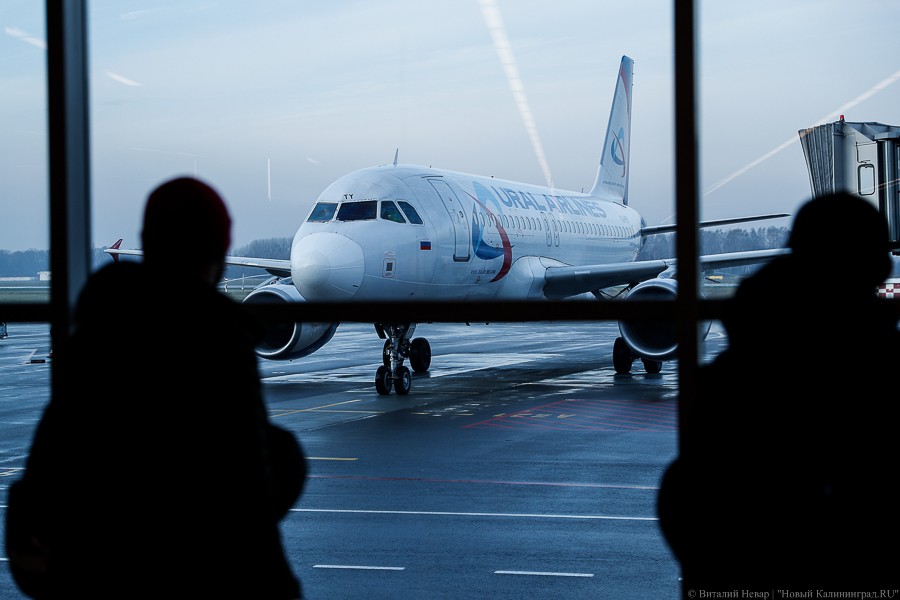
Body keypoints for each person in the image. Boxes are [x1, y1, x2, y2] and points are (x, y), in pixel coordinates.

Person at [6, 177, 306, 599]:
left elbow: (50, 464)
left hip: (72, 565)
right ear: (220, 251)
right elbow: (247, 491)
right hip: (175, 559)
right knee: (285, 454)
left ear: (147, 241)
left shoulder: (96, 325)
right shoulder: (215, 337)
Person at [657, 191, 900, 589]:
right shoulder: (883, 369)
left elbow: (685, 498)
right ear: (878, 267)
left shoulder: (733, 373)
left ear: (793, 255)